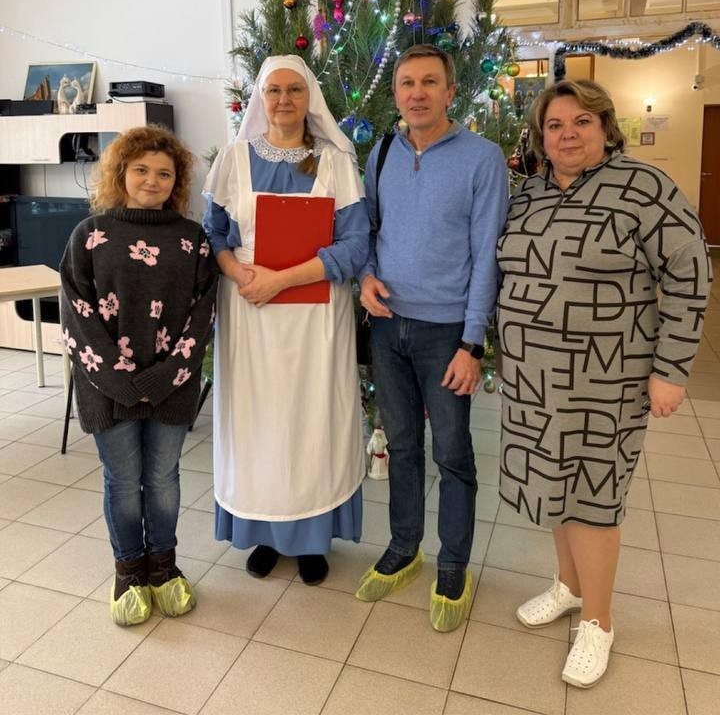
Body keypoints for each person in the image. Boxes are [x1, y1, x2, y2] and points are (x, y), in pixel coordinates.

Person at [496, 79, 711, 688]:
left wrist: (670, 369)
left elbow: (691, 273)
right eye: (555, 125)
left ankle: (598, 620)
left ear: (606, 129)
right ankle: (568, 586)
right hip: (533, 377)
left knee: (592, 495)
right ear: (540, 137)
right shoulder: (528, 194)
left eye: (581, 122)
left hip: (606, 378)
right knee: (552, 484)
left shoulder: (644, 187)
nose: (567, 134)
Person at [355, 44, 509, 632]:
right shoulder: (382, 152)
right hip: (387, 324)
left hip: (446, 333)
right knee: (401, 445)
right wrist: (366, 276)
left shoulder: (481, 158)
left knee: (452, 453)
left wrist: (472, 345)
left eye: (429, 82)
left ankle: (453, 563)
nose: (416, 93)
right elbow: (370, 229)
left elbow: (486, 256)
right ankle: (404, 547)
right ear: (395, 92)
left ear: (450, 91)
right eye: (406, 83)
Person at [203, 54, 369, 585]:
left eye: (294, 89)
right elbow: (213, 235)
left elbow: (355, 246)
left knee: (312, 419)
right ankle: (265, 533)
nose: (283, 100)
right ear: (260, 98)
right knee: (259, 422)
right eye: (273, 90)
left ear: (309, 97)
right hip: (250, 311)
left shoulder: (335, 162)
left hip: (315, 315)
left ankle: (313, 537)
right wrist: (238, 271)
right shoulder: (233, 159)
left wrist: (282, 279)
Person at [60, 125, 218, 626]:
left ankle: (163, 567)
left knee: (163, 478)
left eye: (164, 173)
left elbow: (203, 313)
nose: (152, 180)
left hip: (173, 385)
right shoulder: (90, 235)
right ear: (121, 173)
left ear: (178, 181)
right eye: (142, 170)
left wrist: (165, 375)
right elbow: (77, 314)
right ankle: (129, 570)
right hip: (108, 388)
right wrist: (119, 380)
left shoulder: (192, 240)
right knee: (124, 481)